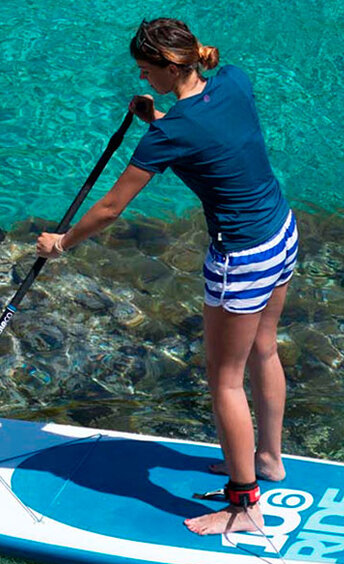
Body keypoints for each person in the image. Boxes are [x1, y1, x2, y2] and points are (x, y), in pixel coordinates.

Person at [36, 18, 298, 536]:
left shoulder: (170, 134)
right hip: (282, 233)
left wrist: (61, 244)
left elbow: (111, 208)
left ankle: (245, 506)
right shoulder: (233, 81)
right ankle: (269, 459)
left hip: (241, 258)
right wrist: (155, 117)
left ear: (169, 65)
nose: (142, 78)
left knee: (224, 379)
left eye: (145, 70)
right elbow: (211, 138)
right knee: (264, 350)